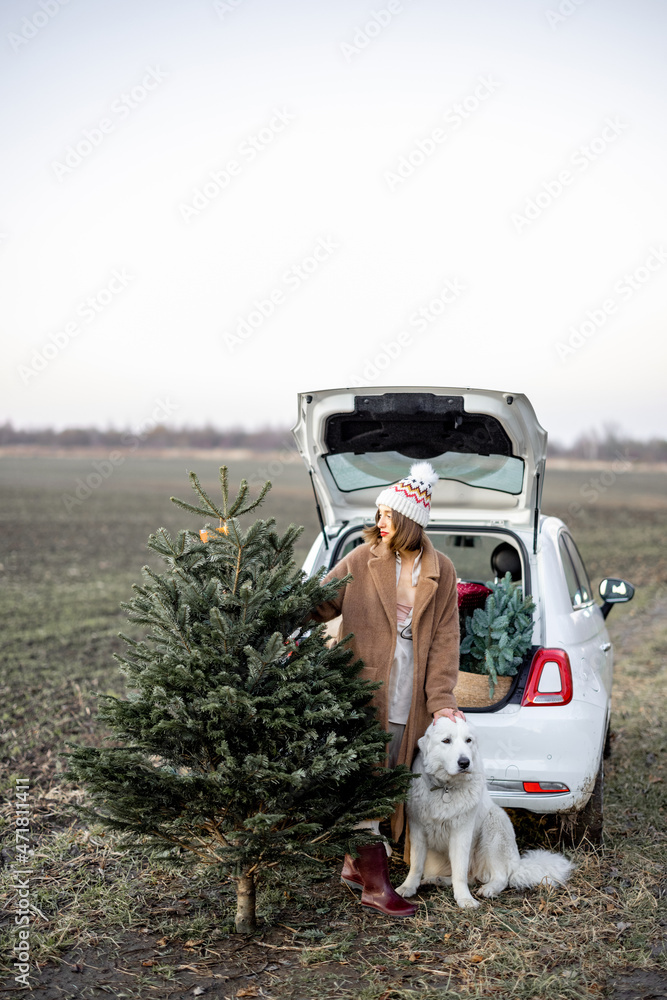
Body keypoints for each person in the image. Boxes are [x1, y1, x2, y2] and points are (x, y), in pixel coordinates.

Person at [309, 461, 464, 917]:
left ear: (408, 522)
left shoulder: (443, 570)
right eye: (378, 513)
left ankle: (354, 868)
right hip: (361, 690)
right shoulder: (361, 561)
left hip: (408, 694)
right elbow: (319, 601)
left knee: (391, 776)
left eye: (387, 515)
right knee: (366, 777)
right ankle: (375, 885)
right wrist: (271, 615)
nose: (379, 521)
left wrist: (442, 701)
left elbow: (445, 641)